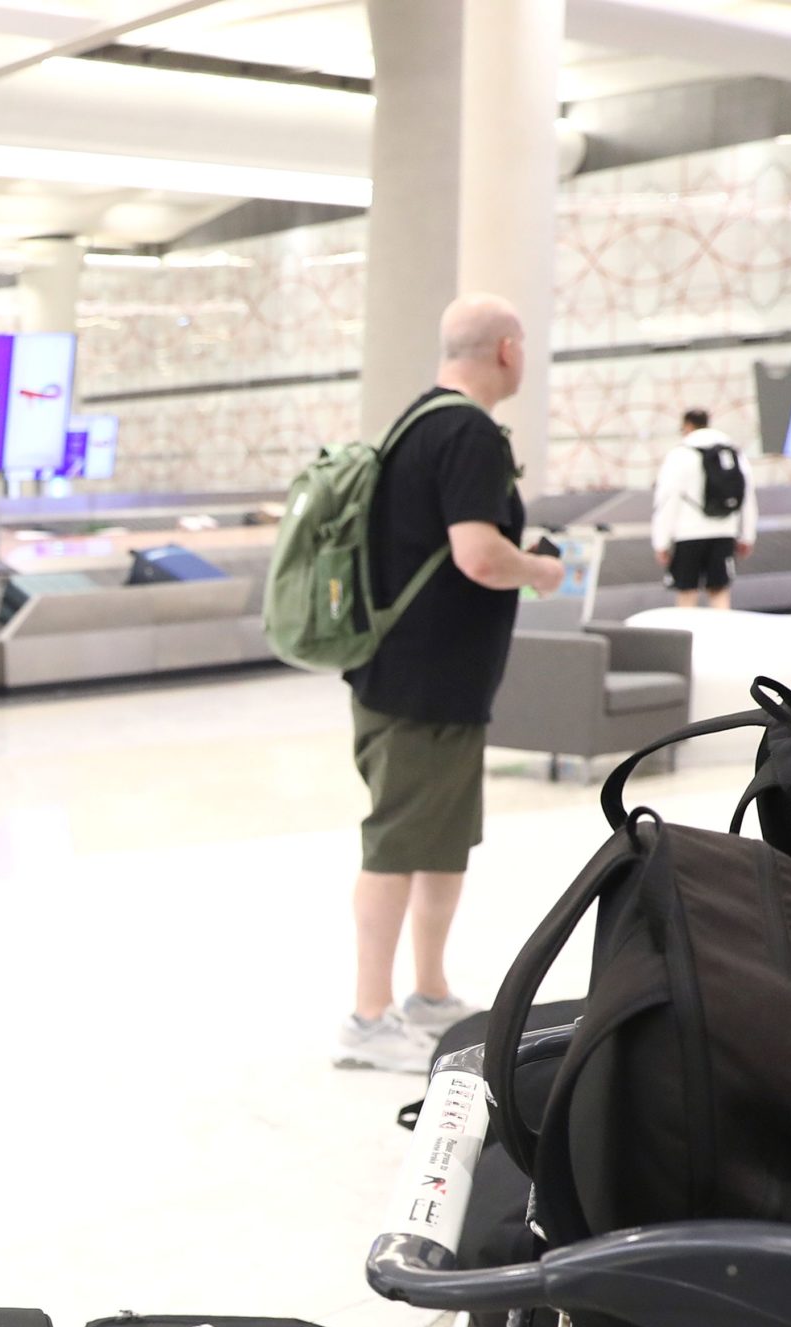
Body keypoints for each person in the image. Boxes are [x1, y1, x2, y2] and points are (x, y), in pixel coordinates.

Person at [333, 294, 565, 1074]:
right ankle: (367, 1019)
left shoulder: (418, 422)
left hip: (430, 678)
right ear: (506, 350)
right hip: (421, 685)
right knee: (398, 844)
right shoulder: (467, 432)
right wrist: (541, 571)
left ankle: (428, 993)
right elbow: (478, 555)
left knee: (439, 844)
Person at [649, 407, 756, 610]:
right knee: (719, 592)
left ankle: (687, 630)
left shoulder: (680, 454)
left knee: (687, 593)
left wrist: (660, 542)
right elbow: (747, 496)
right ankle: (722, 629)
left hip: (688, 534)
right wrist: (748, 535)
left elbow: (666, 500)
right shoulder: (732, 452)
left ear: (688, 426)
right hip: (725, 532)